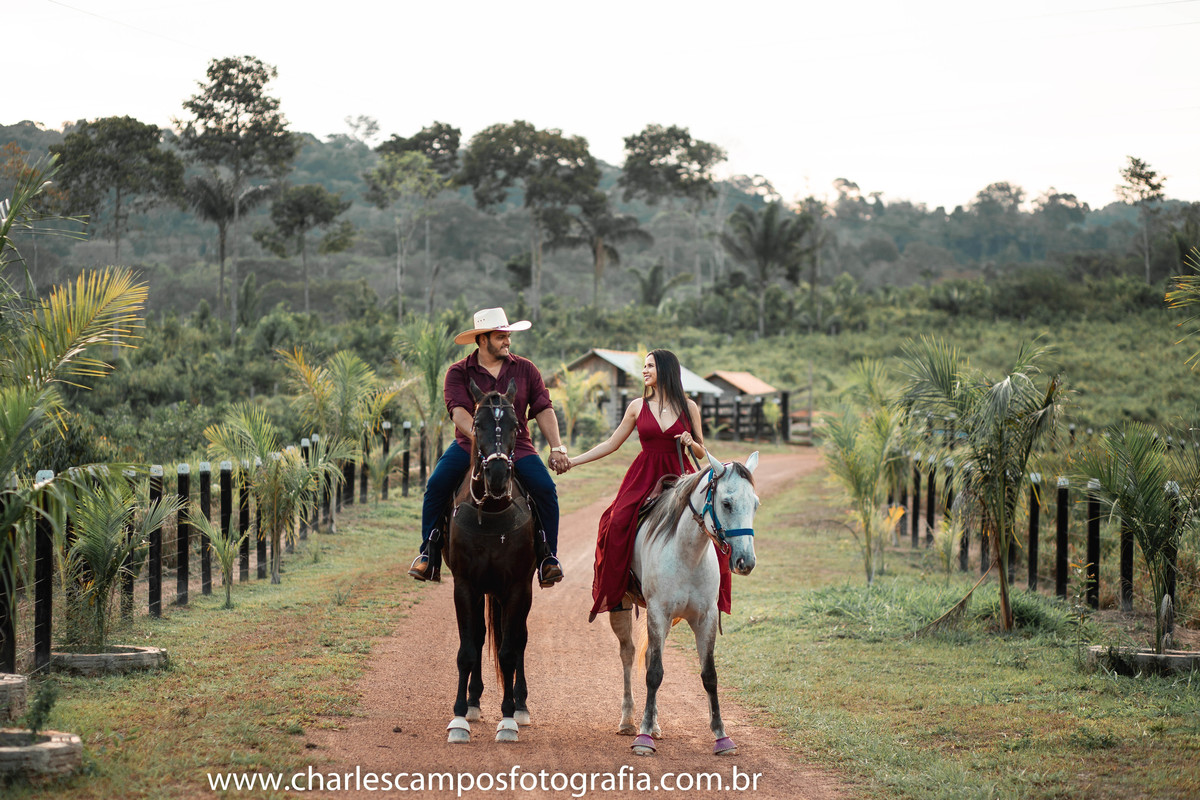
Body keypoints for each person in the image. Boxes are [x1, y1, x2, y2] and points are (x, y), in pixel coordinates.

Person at [407, 307, 569, 587]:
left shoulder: (526, 369)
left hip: (517, 445)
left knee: (545, 489)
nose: (507, 341)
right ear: (482, 339)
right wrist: (483, 442)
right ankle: (429, 553)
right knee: (436, 485)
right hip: (469, 445)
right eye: (500, 336)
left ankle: (547, 558)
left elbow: (543, 408)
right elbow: (458, 412)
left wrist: (557, 447)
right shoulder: (458, 372)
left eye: (508, 335)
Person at [566, 349, 730, 622]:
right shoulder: (637, 407)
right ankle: (622, 590)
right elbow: (611, 444)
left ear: (664, 370)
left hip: (680, 476)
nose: (644, 371)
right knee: (616, 521)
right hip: (644, 475)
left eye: (650, 366)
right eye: (644, 366)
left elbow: (702, 452)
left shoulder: (689, 407)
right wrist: (573, 461)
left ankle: (712, 593)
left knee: (712, 524)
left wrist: (693, 443)